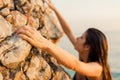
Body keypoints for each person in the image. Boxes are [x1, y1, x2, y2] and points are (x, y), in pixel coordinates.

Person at [16, 0, 112, 80]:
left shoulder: (97, 68)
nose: (77, 38)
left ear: (87, 47)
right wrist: (54, 9)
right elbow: (68, 32)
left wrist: (45, 43)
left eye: (81, 37)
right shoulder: (83, 52)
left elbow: (75, 64)